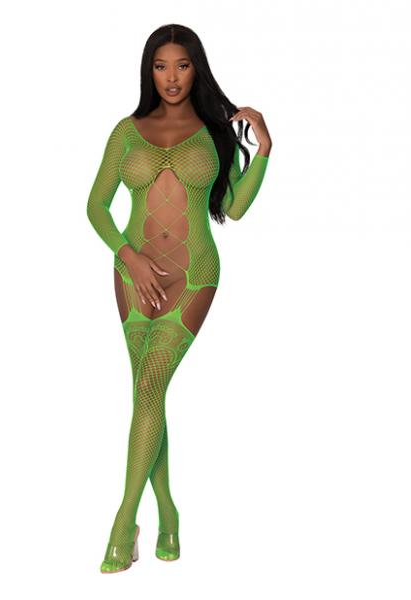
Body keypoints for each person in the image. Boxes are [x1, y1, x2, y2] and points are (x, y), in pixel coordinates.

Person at [87, 23, 272, 574]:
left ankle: (124, 521)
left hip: (193, 276)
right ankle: (167, 512)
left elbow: (233, 208)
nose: (171, 77)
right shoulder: (126, 131)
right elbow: (96, 206)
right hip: (133, 276)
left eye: (183, 66)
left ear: (197, 69)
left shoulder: (216, 132)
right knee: (149, 394)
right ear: (149, 70)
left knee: (149, 385)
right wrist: (129, 256)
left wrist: (263, 150)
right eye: (161, 66)